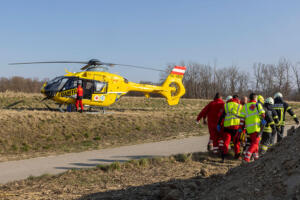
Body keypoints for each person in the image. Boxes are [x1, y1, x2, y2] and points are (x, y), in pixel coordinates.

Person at [239, 93, 265, 163]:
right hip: (256, 128)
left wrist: (241, 128)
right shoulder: (258, 105)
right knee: (255, 143)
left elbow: (242, 118)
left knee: (255, 143)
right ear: (255, 98)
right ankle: (247, 158)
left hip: (249, 129)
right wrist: (262, 119)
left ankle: (256, 158)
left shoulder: (245, 106)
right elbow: (263, 114)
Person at [217, 95, 242, 161]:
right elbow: (243, 116)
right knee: (236, 142)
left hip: (227, 127)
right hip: (236, 127)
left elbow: (222, 116)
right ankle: (237, 156)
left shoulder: (226, 105)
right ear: (237, 99)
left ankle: (223, 157)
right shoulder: (240, 106)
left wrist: (219, 124)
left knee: (226, 142)